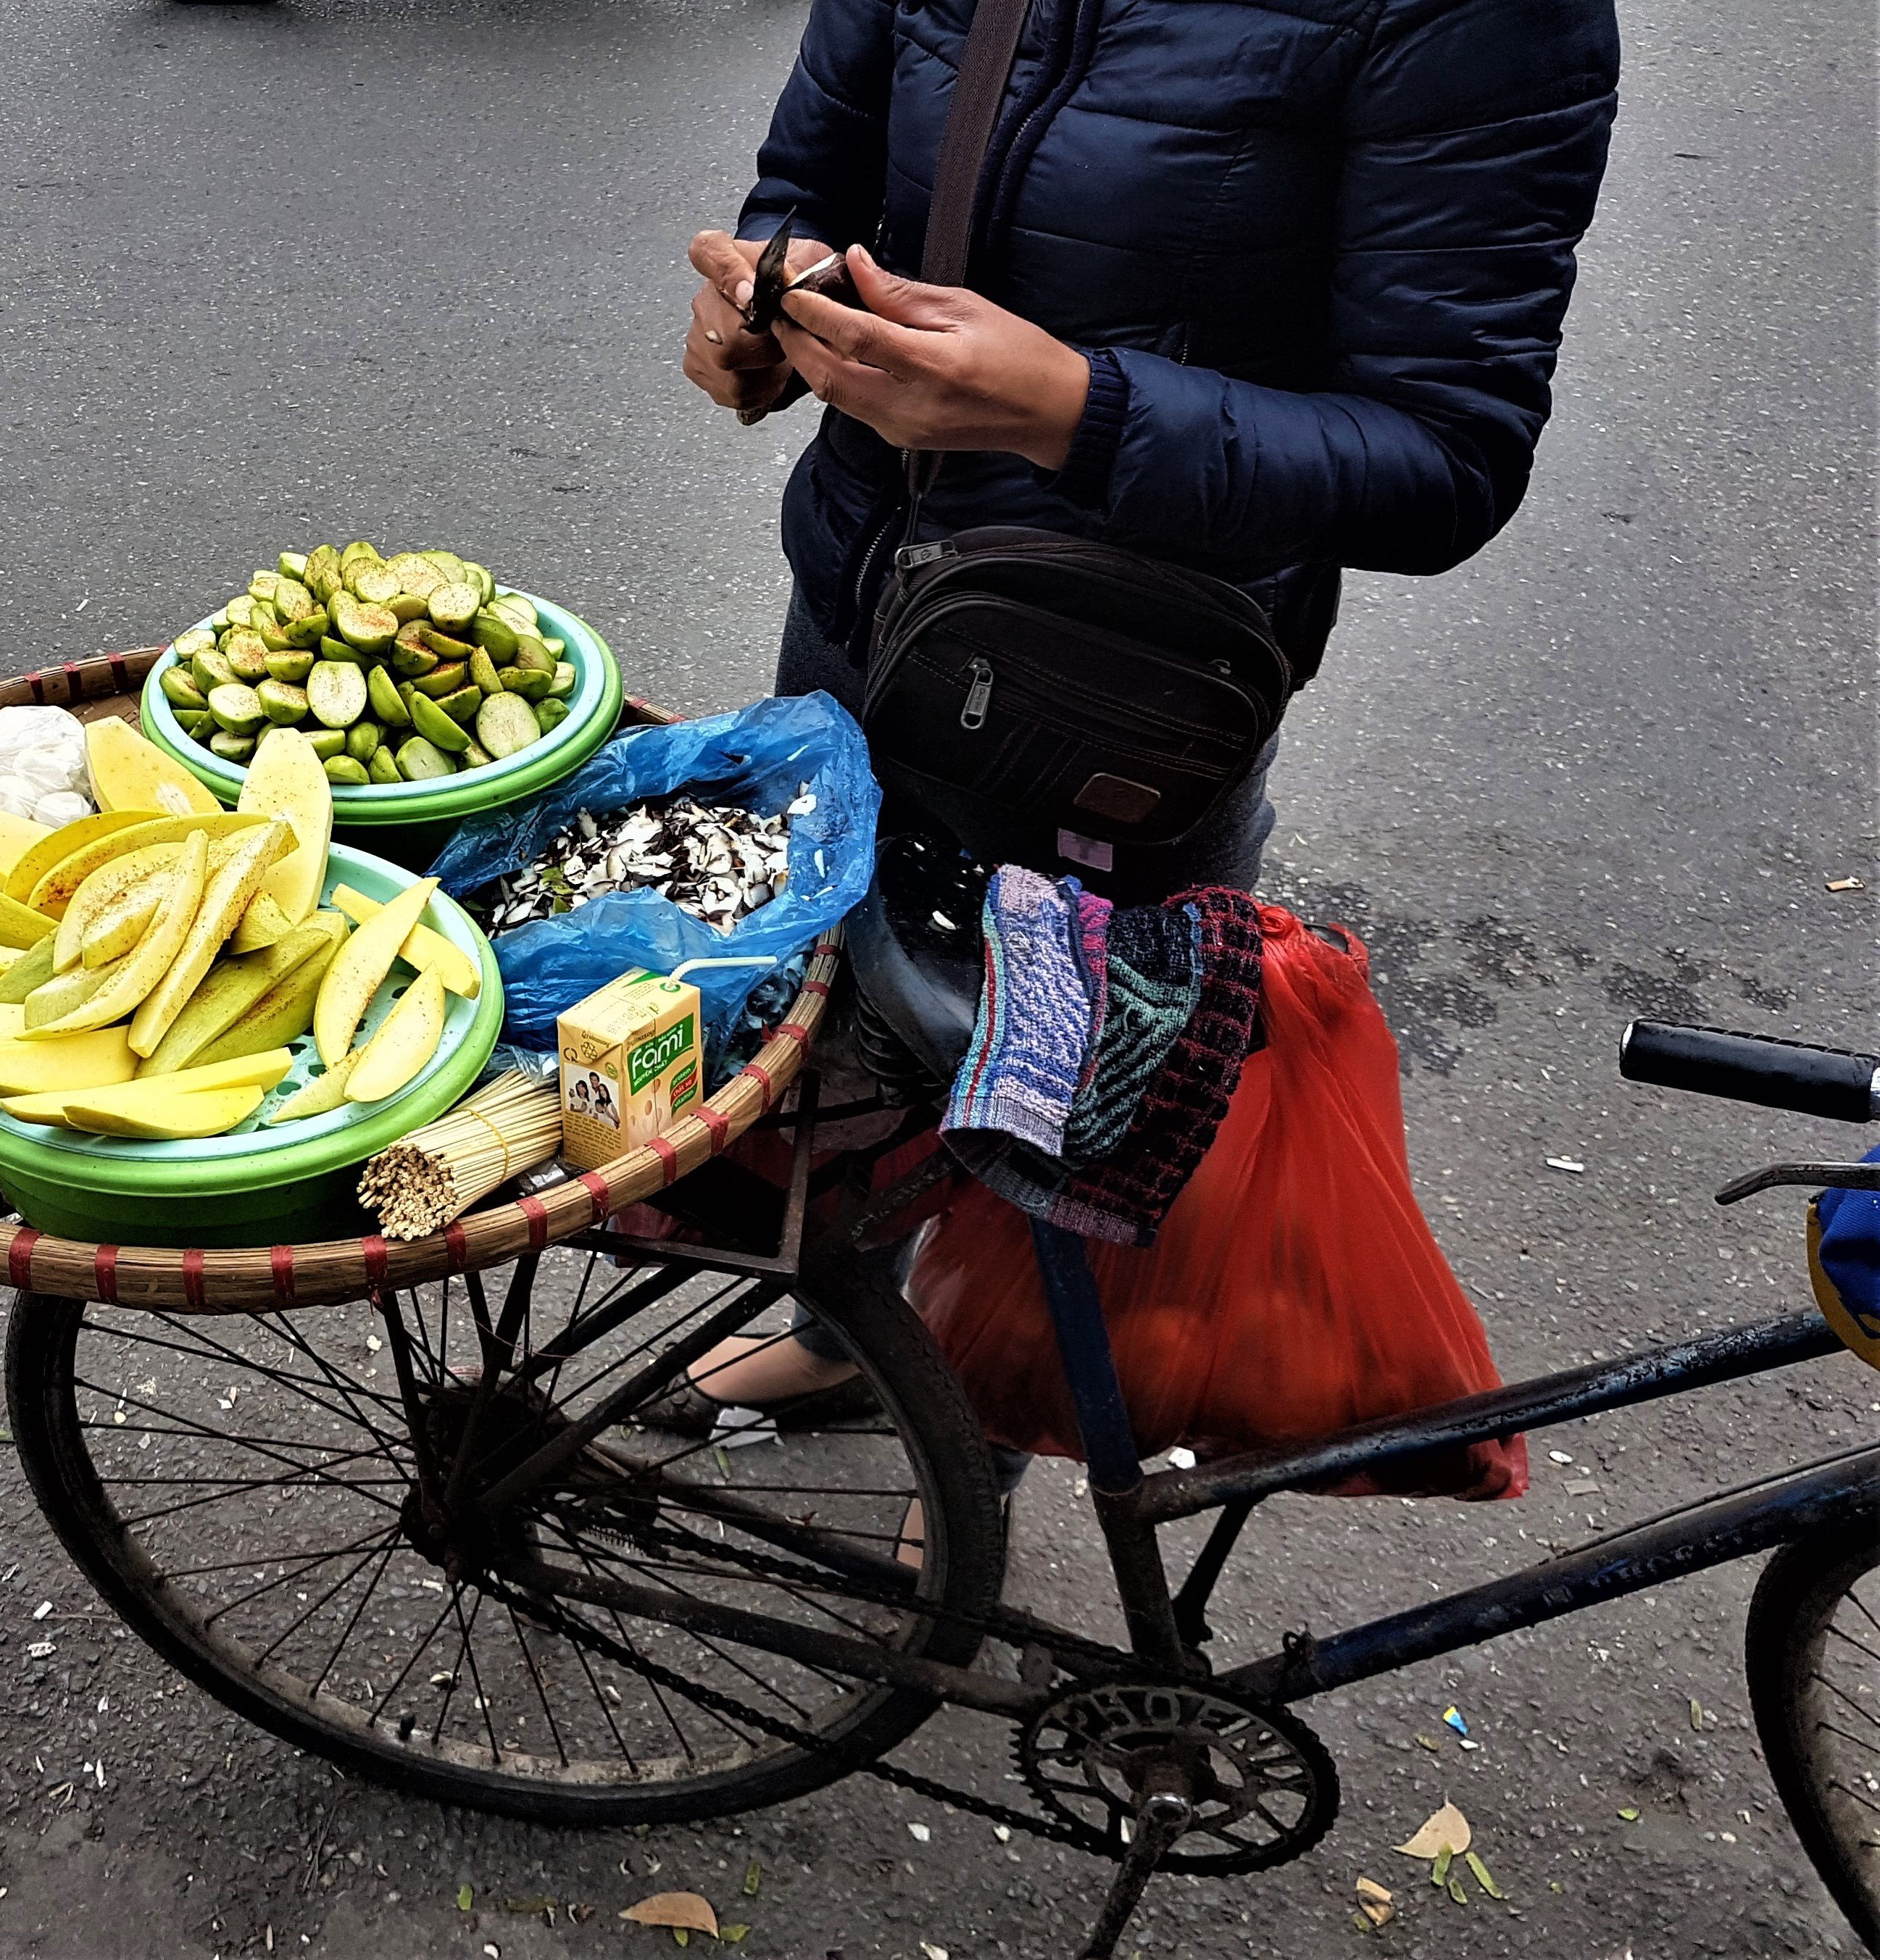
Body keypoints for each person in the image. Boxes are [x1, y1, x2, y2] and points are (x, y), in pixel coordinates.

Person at [647, 0, 1620, 1429]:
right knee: (842, 1032)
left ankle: (985, 1430)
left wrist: (1075, 412)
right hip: (865, 598)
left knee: (1052, 1105)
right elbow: (819, 176)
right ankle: (850, 1337)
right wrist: (767, 301)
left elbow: (1450, 451)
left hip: (1114, 700)